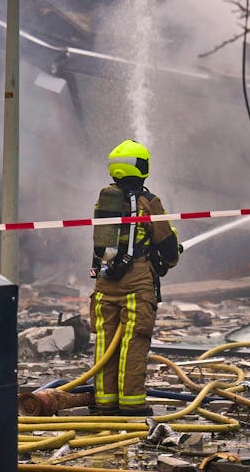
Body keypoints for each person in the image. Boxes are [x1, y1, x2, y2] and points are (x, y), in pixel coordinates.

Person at [88, 139, 181, 416]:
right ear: (142, 167)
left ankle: (105, 402)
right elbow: (166, 242)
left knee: (106, 340)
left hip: (104, 281)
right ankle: (131, 404)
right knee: (133, 340)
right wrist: (172, 257)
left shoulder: (104, 199)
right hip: (137, 280)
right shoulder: (149, 202)